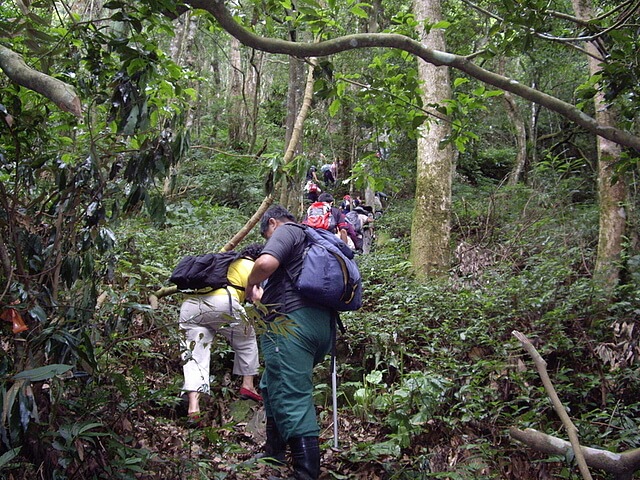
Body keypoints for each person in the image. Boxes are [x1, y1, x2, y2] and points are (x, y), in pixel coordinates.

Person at [245, 205, 333, 480]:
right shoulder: (313, 240)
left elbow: (264, 264)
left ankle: (306, 474)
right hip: (321, 327)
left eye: (266, 236)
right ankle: (274, 450)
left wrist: (249, 286)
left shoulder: (288, 231)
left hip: (292, 325)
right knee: (272, 383)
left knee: (292, 394)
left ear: (272, 224)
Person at [179, 243, 264, 424]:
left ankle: (193, 407)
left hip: (189, 306)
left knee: (195, 354)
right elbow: (257, 297)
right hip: (221, 303)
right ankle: (248, 385)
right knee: (247, 339)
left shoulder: (223, 263)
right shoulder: (253, 267)